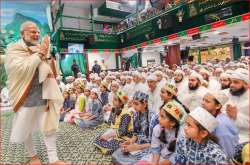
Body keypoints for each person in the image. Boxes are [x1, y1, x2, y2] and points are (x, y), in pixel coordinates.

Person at [5, 21, 65, 164]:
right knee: (25, 128)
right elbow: (20, 69)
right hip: (25, 97)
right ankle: (32, 155)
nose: (37, 34)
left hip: (44, 95)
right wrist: (40, 54)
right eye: (32, 31)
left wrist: (48, 56)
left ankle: (53, 159)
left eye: (38, 31)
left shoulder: (41, 48)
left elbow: (51, 70)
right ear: (22, 34)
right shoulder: (14, 49)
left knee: (49, 127)